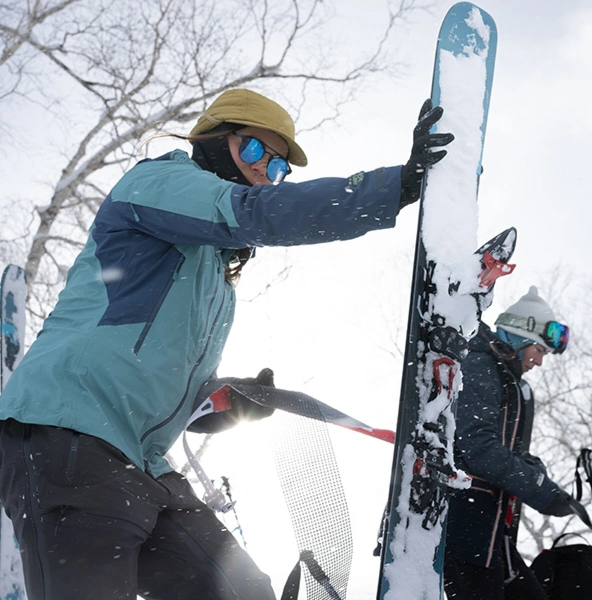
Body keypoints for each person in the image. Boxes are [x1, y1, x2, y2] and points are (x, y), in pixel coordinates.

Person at [0, 88, 454, 600]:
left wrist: (225, 400)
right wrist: (393, 187)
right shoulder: (157, 183)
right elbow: (254, 212)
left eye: (278, 166)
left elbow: (162, 375)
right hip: (68, 433)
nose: (264, 169)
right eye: (254, 149)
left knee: (241, 591)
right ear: (213, 140)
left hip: (141, 461)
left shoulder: (213, 274)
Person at [444, 286, 579, 600]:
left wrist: (536, 472)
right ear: (520, 338)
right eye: (540, 351)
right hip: (461, 530)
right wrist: (541, 491)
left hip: (489, 535)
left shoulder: (506, 380)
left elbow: (508, 451)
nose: (540, 362)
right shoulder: (480, 365)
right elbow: (479, 447)